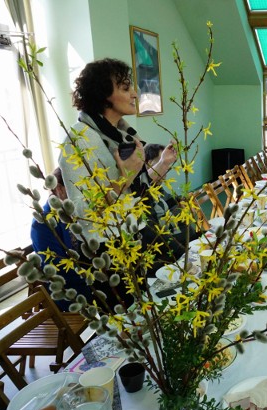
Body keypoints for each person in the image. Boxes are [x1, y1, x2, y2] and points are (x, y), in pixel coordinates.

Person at [59, 58, 182, 300]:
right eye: (125, 88)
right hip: (109, 250)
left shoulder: (120, 136)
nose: (135, 94)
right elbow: (83, 211)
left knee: (177, 279)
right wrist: (124, 177)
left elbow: (136, 189)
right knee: (136, 318)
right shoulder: (79, 141)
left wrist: (163, 164)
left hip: (137, 231)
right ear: (104, 95)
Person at [30, 168, 91, 311]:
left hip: (88, 277)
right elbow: (58, 269)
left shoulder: (73, 210)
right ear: (59, 189)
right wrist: (93, 276)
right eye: (75, 189)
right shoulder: (42, 224)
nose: (81, 195)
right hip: (70, 290)